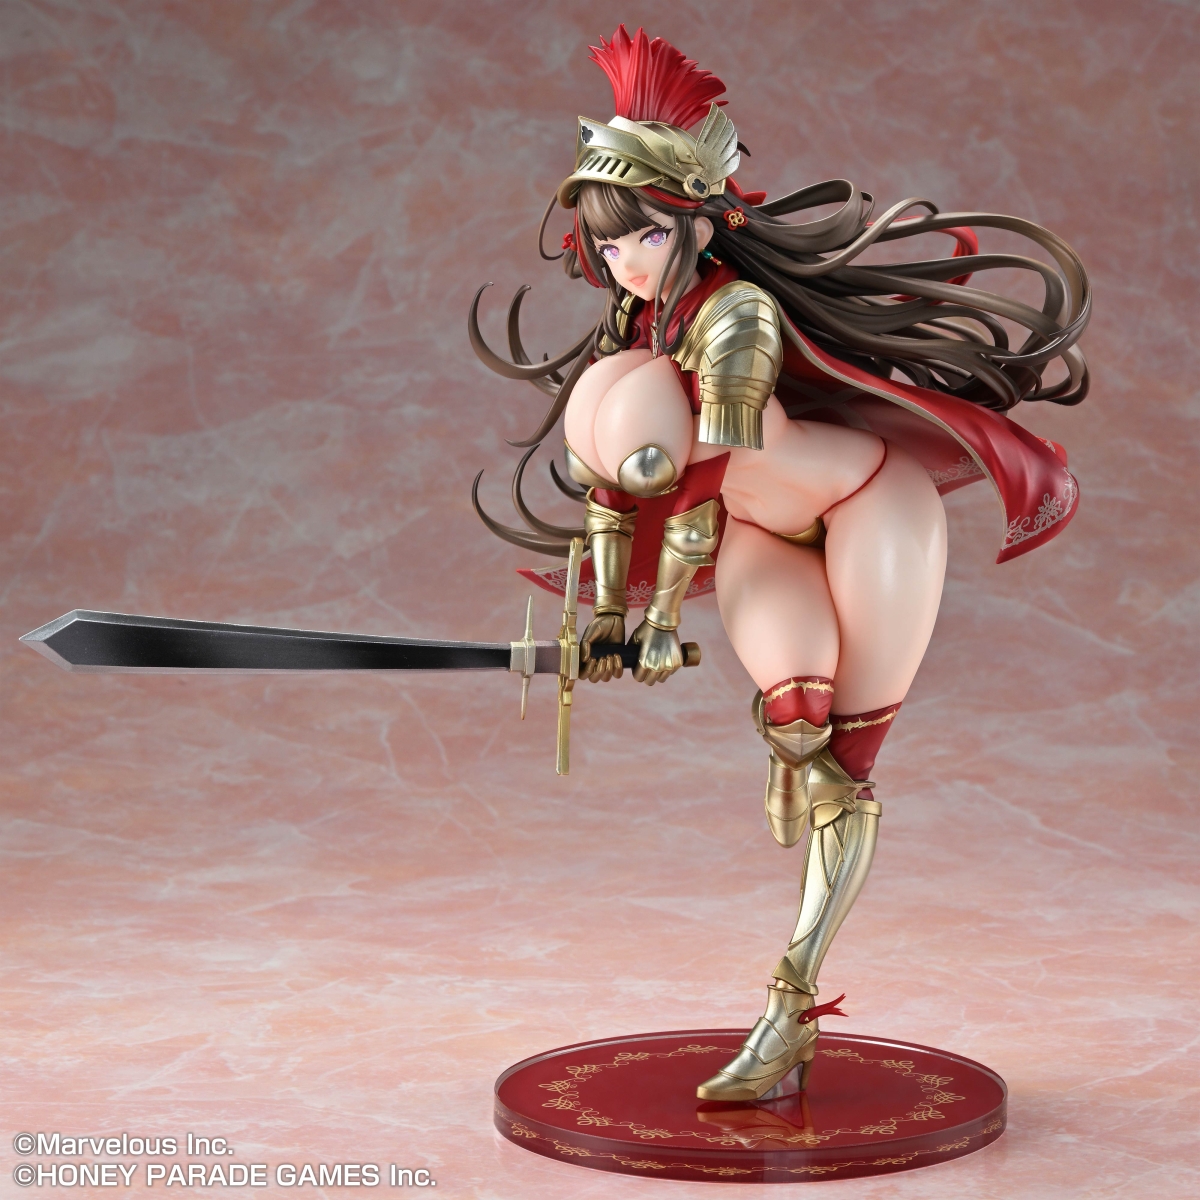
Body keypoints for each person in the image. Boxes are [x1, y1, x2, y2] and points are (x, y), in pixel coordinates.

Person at [471, 25, 1089, 1102]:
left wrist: (659, 623)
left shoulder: (736, 317)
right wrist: (608, 620)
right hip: (767, 536)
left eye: (640, 235)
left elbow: (706, 469)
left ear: (694, 220)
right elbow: (621, 482)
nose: (622, 261)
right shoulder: (641, 324)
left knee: (842, 775)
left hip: (868, 510)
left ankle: (790, 1010)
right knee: (797, 715)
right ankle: (792, 754)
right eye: (606, 245)